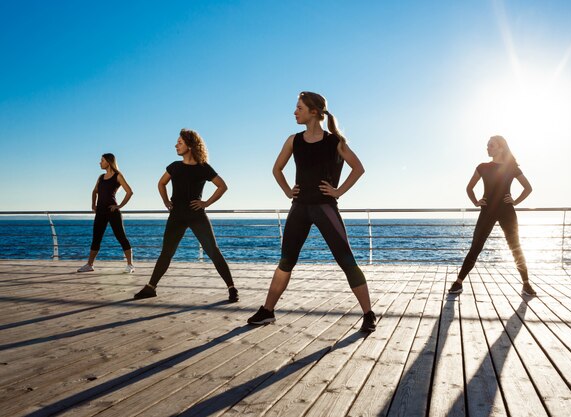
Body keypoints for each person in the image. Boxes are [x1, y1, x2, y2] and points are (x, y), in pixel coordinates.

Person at [247, 91, 377, 332]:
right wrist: (288, 191)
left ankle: (368, 314)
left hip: (325, 208)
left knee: (346, 260)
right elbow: (277, 169)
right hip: (299, 209)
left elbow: (358, 168)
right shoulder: (293, 140)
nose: (294, 112)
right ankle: (267, 311)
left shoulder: (335, 142)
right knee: (286, 261)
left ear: (314, 112)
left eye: (299, 108)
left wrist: (338, 192)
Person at [134, 129, 238, 302]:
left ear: (189, 146)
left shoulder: (203, 167)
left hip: (197, 215)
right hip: (176, 215)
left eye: (180, 142)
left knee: (213, 251)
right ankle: (151, 288)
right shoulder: (175, 166)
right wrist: (166, 201)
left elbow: (222, 186)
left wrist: (206, 203)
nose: (176, 145)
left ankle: (232, 288)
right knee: (166, 252)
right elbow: (161, 183)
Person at [448, 135, 536, 296]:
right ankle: (458, 282)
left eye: (491, 145)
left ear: (501, 148)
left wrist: (515, 201)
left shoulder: (512, 168)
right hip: (487, 211)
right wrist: (476, 201)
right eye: (487, 145)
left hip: (507, 212)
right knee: (476, 247)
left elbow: (528, 188)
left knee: (515, 247)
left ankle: (526, 284)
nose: (487, 148)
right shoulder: (482, 167)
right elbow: (469, 188)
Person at [78, 154, 134, 273]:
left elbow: (129, 192)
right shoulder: (101, 177)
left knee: (121, 237)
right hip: (100, 212)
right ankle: (89, 265)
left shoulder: (118, 176)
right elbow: (94, 191)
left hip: (112, 211)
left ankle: (130, 265)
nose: (100, 163)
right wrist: (93, 204)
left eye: (102, 160)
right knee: (96, 238)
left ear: (108, 162)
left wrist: (119, 206)